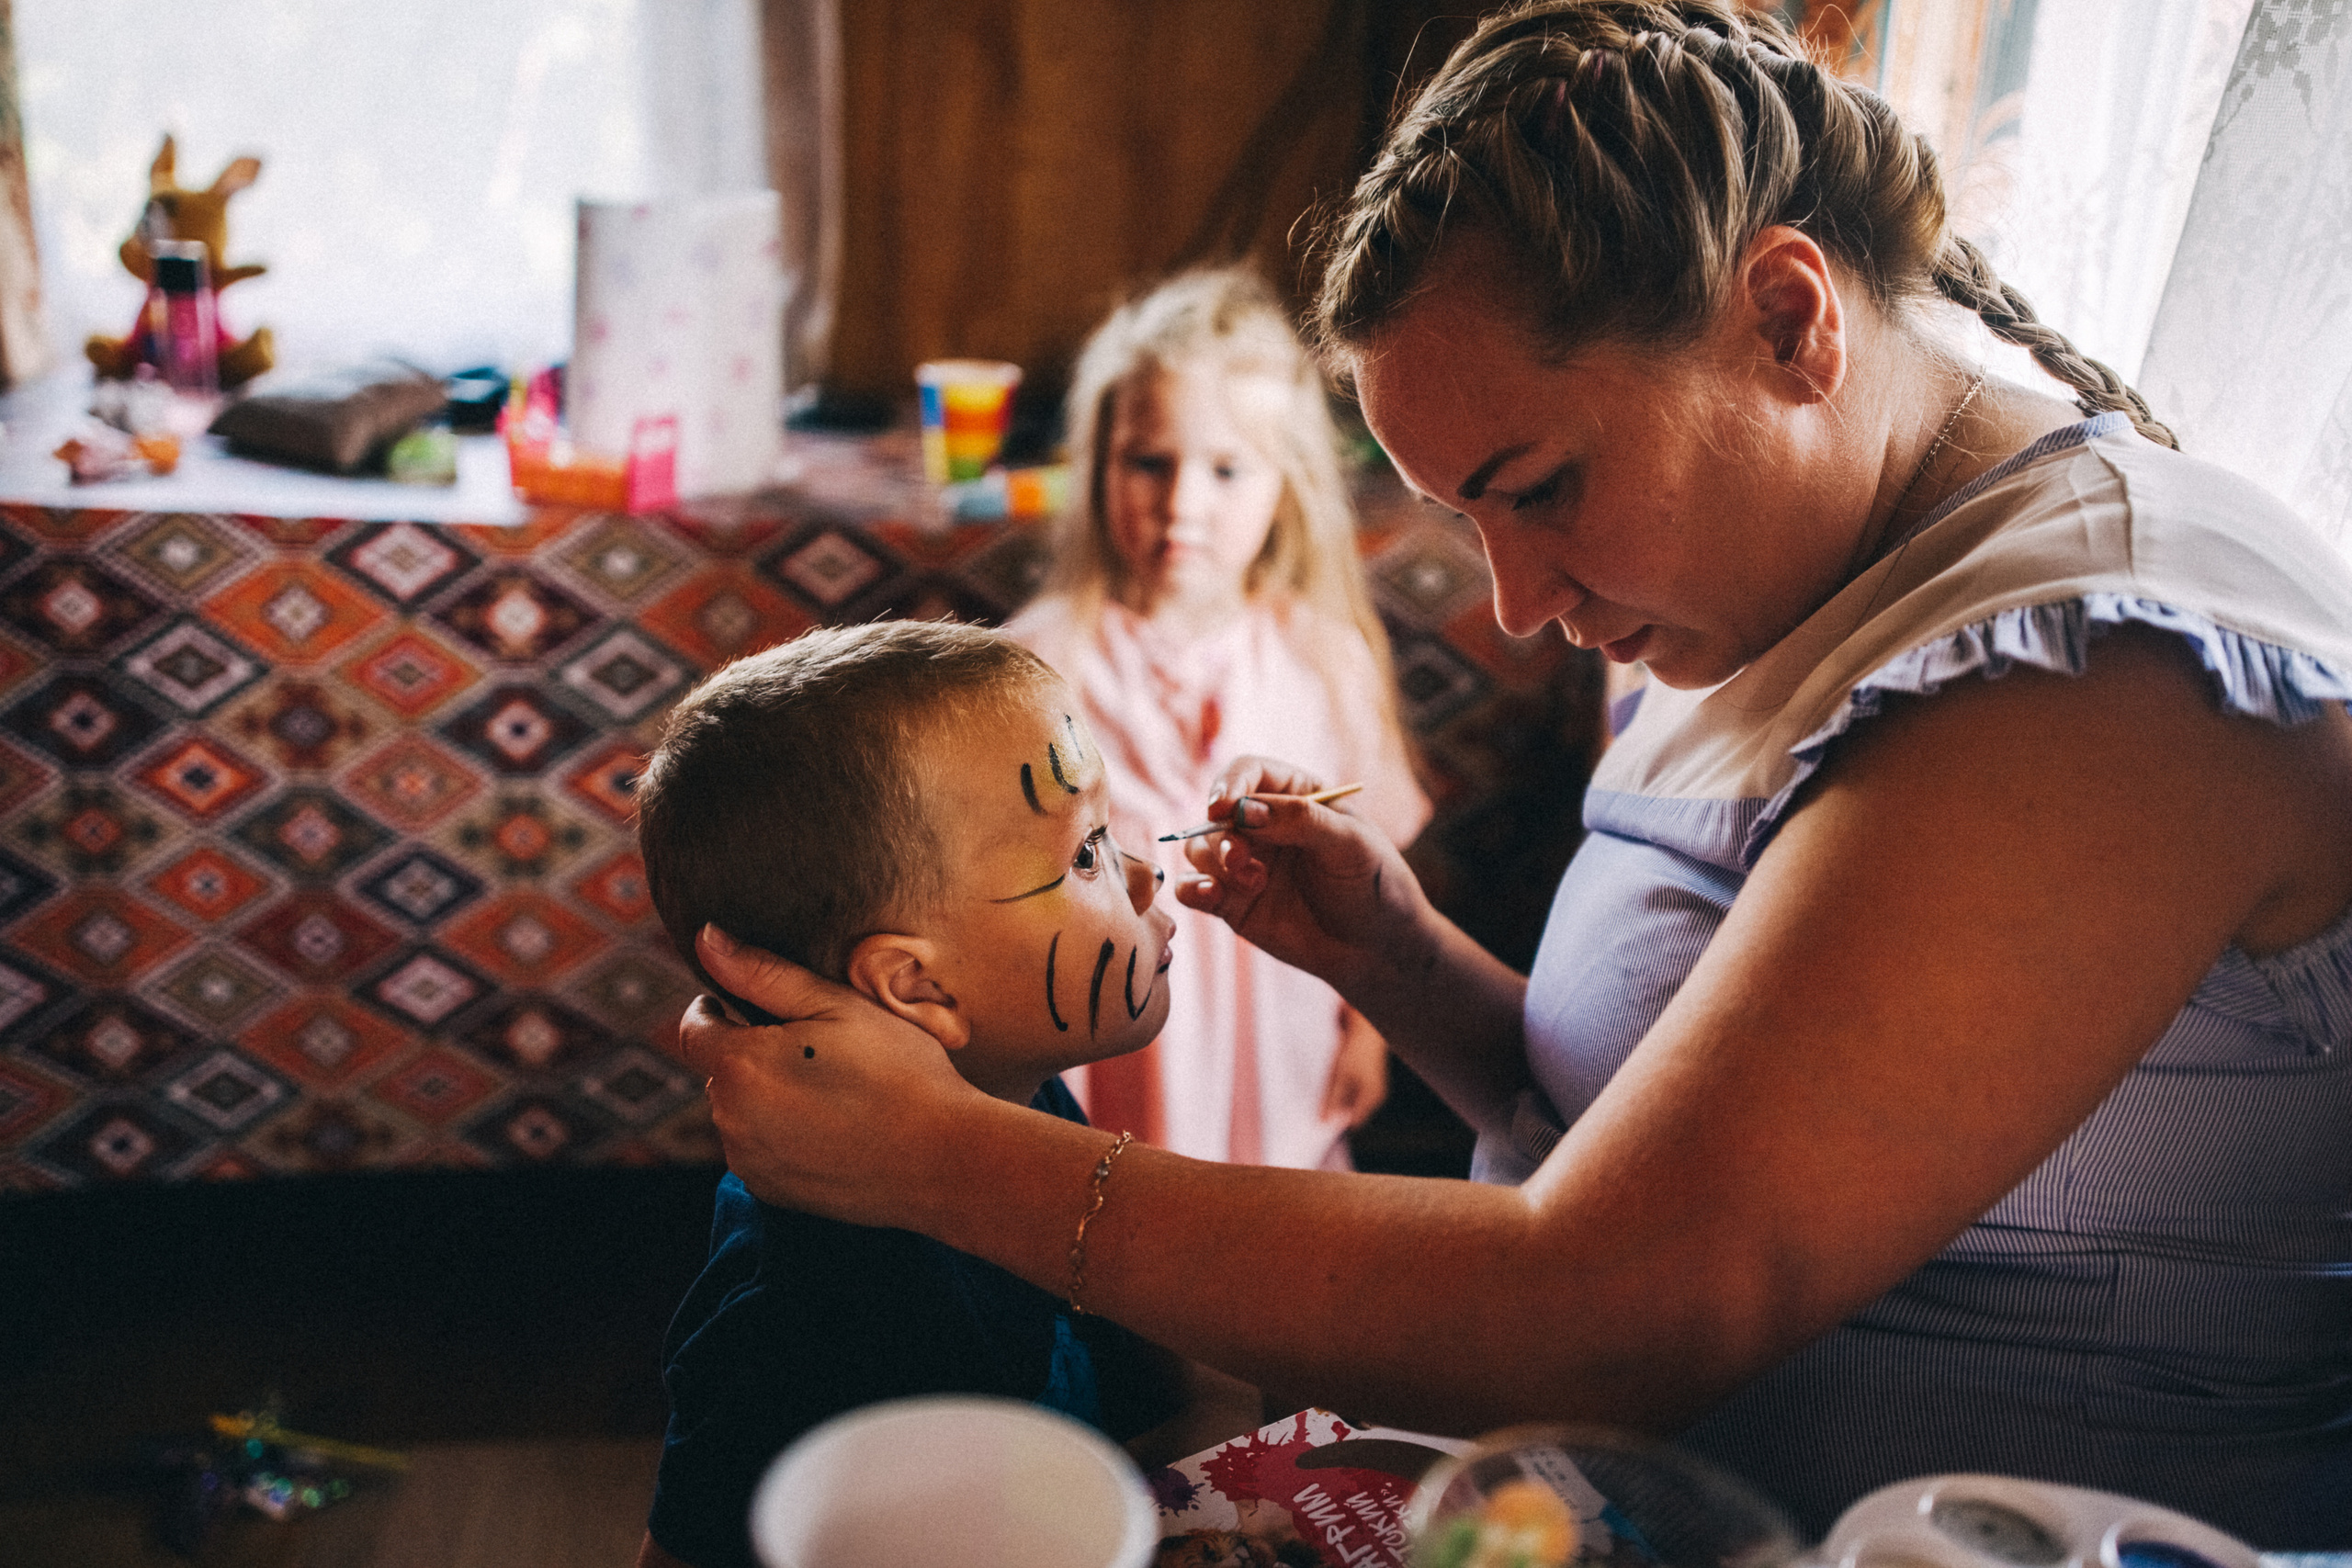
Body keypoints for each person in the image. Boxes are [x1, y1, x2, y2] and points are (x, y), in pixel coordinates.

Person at [662, 2, 2352, 1545]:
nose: (1521, 602)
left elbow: (1623, 1305)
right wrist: (1402, 963)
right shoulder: (1800, 579)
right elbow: (1679, 1124)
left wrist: (945, 1159)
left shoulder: (2098, 686)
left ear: (1787, 319)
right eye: (1469, 518)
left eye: (1537, 488)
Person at [628, 620, 1254, 1568]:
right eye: (1087, 853)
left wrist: (1205, 1415)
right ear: (917, 986)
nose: (1143, 872)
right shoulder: (816, 1318)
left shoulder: (1019, 1097)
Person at [1007, 265, 1430, 1170]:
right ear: (1099, 463)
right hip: (1109, 1034)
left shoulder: (1322, 655)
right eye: (1148, 462)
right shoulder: (1038, 662)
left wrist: (1369, 1032)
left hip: (1279, 1033)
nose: (1181, 505)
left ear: (1287, 484)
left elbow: (1369, 869)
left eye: (1227, 469)